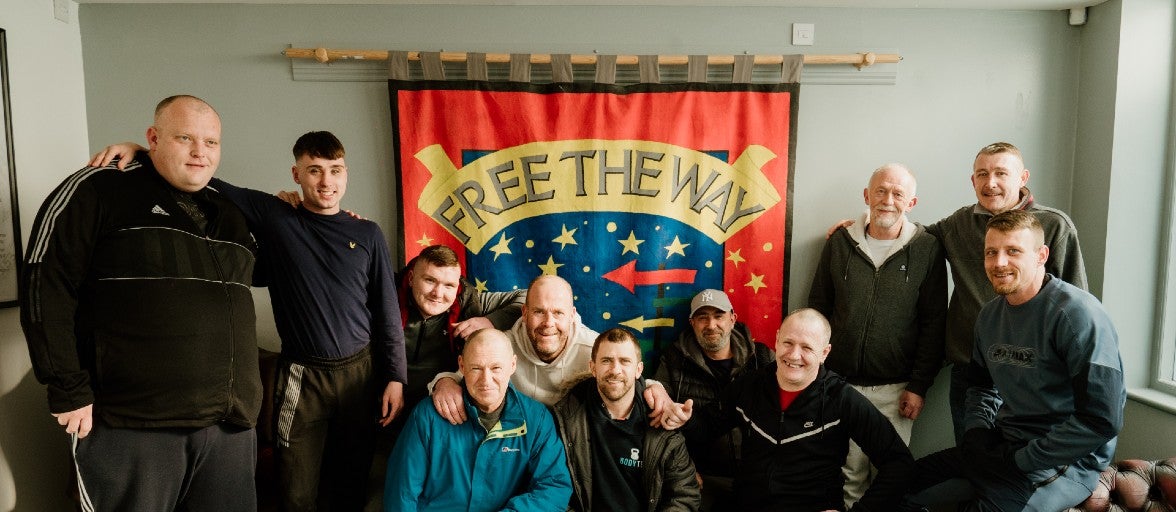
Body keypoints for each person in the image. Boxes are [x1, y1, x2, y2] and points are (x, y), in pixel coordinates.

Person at [90, 131, 408, 511]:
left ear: (346, 173)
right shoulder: (275, 216)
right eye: (314, 171)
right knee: (296, 489)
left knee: (350, 482)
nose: (326, 182)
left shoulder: (367, 233)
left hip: (360, 373)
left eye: (335, 170)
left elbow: (387, 311)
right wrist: (145, 151)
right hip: (302, 378)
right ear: (296, 174)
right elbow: (205, 178)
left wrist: (396, 377)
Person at [20, 95, 262, 511]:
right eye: (185, 137)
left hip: (229, 428)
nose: (199, 152)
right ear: (153, 137)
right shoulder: (96, 188)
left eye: (211, 142)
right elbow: (45, 285)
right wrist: (67, 387)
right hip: (132, 424)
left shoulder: (231, 213)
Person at [828, 142, 1086, 442]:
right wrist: (859, 228)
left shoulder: (1055, 226)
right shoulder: (959, 224)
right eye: (982, 174)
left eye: (1001, 173)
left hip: (1033, 371)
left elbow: (1076, 307)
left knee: (1027, 460)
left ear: (1023, 177)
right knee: (972, 456)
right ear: (972, 180)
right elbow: (913, 236)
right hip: (971, 369)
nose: (990, 183)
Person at [903, 210, 1124, 511]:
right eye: (991, 252)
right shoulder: (990, 316)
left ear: (1041, 255)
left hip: (1065, 462)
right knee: (900, 483)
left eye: (1013, 251)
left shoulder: (1078, 316)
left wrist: (1024, 459)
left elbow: (1102, 419)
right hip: (1003, 444)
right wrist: (978, 433)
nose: (999, 263)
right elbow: (980, 387)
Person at [808, 164, 947, 508]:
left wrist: (918, 386)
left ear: (911, 202)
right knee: (848, 475)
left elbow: (934, 323)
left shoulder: (928, 248)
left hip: (897, 389)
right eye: (881, 191)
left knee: (890, 477)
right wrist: (818, 377)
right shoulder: (840, 242)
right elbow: (818, 308)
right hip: (840, 386)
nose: (888, 200)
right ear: (867, 196)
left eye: (898, 194)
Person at [687, 308, 914, 512]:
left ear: (825, 352)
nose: (794, 355)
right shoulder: (749, 385)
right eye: (788, 343)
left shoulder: (841, 398)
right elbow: (704, 427)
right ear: (776, 339)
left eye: (807, 347)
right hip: (746, 503)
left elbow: (899, 463)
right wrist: (680, 416)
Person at [429, 274, 691, 428]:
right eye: (539, 312)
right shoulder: (503, 346)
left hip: (575, 446)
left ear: (572, 315)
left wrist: (655, 389)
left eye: (558, 313)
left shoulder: (593, 347)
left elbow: (624, 376)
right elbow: (468, 373)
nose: (548, 324)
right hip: (519, 443)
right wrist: (444, 382)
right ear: (524, 312)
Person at [384, 328, 573, 511]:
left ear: (512, 365)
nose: (486, 380)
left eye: (496, 368)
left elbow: (554, 486)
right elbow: (402, 492)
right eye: (476, 368)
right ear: (462, 365)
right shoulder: (428, 416)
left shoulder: (536, 420)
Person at [552, 327, 701, 511]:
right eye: (606, 361)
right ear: (593, 368)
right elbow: (554, 489)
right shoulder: (566, 418)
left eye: (625, 361)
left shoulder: (661, 418)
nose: (615, 370)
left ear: (638, 369)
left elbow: (684, 494)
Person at [653, 288, 773, 510]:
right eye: (702, 317)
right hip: (699, 478)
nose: (711, 325)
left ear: (732, 319)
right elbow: (658, 423)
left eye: (718, 316)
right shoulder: (673, 361)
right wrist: (683, 469)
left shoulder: (762, 359)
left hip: (756, 479)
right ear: (692, 323)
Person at [396, 244, 525, 409]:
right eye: (430, 280)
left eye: (448, 285)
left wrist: (490, 321)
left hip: (435, 408)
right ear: (412, 278)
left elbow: (526, 297)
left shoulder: (469, 303)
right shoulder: (386, 295)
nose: (438, 293)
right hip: (378, 401)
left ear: (457, 288)